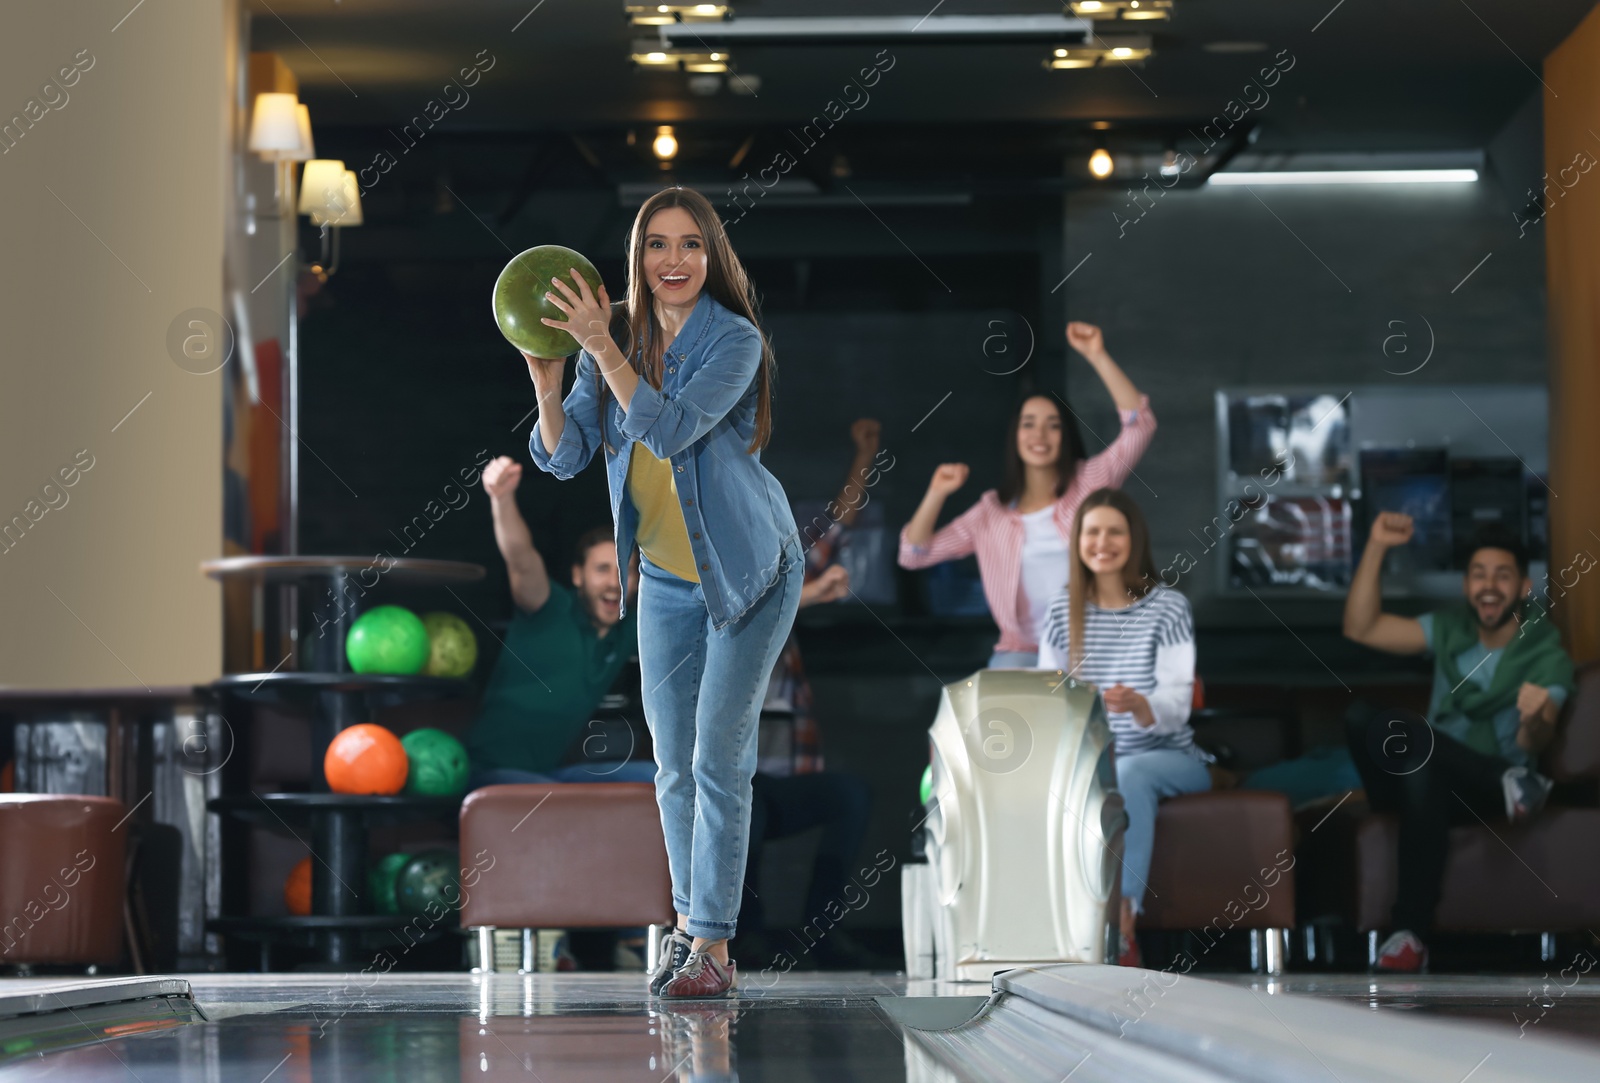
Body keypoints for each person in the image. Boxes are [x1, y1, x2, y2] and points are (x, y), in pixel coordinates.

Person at [526, 186, 802, 1000]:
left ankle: (712, 945)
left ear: (712, 257)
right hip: (667, 579)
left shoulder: (735, 340)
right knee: (671, 767)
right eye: (656, 245)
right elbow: (567, 454)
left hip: (750, 572)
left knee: (719, 756)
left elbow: (669, 428)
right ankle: (690, 929)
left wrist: (602, 347)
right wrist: (550, 377)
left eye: (689, 245)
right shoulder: (605, 342)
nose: (673, 261)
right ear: (637, 258)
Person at [1342, 515, 1574, 973]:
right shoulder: (1450, 629)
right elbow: (1360, 628)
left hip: (1482, 799)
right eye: (1479, 575)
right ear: (1467, 584)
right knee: (1362, 718)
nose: (1489, 586)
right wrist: (1375, 547)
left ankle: (1408, 936)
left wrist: (1535, 717)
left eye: (1502, 575)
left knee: (1421, 767)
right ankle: (1509, 780)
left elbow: (1536, 737)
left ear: (1524, 587)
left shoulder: (1546, 653)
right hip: (1440, 780)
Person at [899, 322, 1156, 667]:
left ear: (1066, 435)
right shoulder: (991, 512)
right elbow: (914, 554)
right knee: (994, 711)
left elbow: (1140, 426)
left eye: (1053, 425)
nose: (1040, 434)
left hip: (1089, 643)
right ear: (1015, 435)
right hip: (1021, 650)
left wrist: (1096, 354)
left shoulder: (1090, 482)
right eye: (1029, 423)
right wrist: (936, 492)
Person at [1035, 488, 1208, 967]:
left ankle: (1124, 918)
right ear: (1078, 542)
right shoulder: (1060, 610)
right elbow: (1047, 700)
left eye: (1115, 531)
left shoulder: (1168, 608)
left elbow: (1177, 709)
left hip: (1169, 758)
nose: (1103, 542)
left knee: (1130, 773)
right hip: (1092, 759)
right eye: (1092, 532)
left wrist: (1140, 704)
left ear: (1135, 539)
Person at [738, 419, 881, 971]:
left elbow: (837, 524)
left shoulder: (786, 567)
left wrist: (864, 454)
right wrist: (809, 600)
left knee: (850, 794)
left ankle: (820, 931)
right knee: (738, 809)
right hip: (739, 780)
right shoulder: (707, 571)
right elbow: (729, 617)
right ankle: (743, 936)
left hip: (788, 776)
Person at [463, 455, 653, 789]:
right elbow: (521, 560)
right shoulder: (550, 607)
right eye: (602, 569)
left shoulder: (629, 625)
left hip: (546, 779)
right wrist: (502, 498)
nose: (616, 582)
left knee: (661, 781)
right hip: (489, 775)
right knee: (543, 797)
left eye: (626, 570)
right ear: (577, 576)